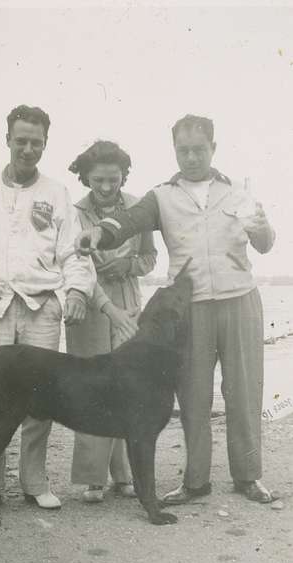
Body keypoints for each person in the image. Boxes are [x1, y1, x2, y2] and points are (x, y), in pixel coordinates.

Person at [75, 114, 276, 504]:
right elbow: (128, 220)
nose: (191, 158)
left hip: (240, 301)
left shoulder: (237, 191)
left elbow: (266, 244)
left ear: (213, 148)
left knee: (244, 393)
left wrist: (260, 226)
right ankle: (195, 482)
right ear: (175, 152)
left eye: (199, 149)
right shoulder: (162, 195)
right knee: (193, 395)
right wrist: (98, 232)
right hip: (192, 309)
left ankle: (249, 477)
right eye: (183, 151)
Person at [0, 104, 95, 513]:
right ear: (7, 139)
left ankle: (34, 481)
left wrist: (77, 293)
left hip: (41, 308)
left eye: (37, 142)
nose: (28, 149)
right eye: (21, 140)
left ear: (45, 144)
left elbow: (73, 254)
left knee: (40, 401)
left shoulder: (57, 194)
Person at [66, 140, 157, 503]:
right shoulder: (73, 213)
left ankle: (125, 476)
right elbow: (70, 261)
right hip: (88, 303)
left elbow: (150, 258)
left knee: (128, 387)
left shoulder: (138, 208)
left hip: (128, 300)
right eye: (99, 180)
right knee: (90, 386)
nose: (106, 187)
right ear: (86, 177)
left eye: (114, 180)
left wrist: (130, 265)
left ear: (123, 176)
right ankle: (93, 478)